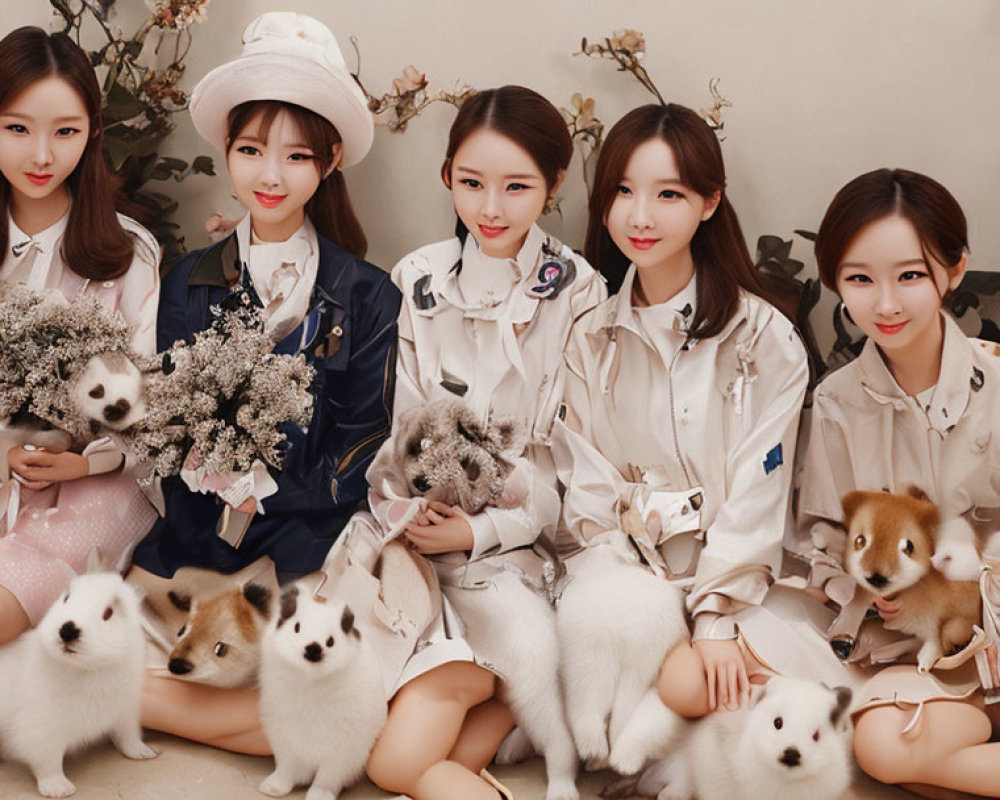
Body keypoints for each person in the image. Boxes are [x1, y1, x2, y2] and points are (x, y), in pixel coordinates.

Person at [130, 12, 400, 754]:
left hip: (312, 538)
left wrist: (272, 493)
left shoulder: (369, 294)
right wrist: (213, 478)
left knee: (331, 697)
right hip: (194, 536)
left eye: (296, 156)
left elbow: (364, 443)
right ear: (227, 151)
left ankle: (139, 700)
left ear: (331, 159)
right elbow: (166, 416)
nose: (270, 175)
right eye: (250, 150)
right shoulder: (186, 280)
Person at [553, 103, 848, 724]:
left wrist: (712, 610)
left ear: (710, 201)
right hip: (633, 582)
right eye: (623, 191)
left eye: (668, 194)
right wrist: (645, 588)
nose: (639, 216)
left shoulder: (764, 338)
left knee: (686, 689)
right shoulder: (588, 337)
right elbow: (588, 488)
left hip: (748, 583)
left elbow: (757, 497)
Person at [362, 85, 605, 800]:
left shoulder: (581, 292)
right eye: (471, 183)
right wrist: (412, 513)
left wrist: (479, 529)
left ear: (554, 186)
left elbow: (572, 469)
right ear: (447, 177)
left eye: (517, 187)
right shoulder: (419, 278)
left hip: (514, 559)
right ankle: (512, 715)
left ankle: (523, 698)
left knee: (397, 762)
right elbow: (396, 438)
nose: (490, 209)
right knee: (353, 727)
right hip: (412, 548)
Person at [796, 167, 1000, 798]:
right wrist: (862, 589)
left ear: (954, 270)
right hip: (910, 642)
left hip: (991, 621)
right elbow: (821, 541)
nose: (884, 303)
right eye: (859, 279)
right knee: (882, 749)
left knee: (907, 766)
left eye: (910, 275)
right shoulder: (834, 402)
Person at [0, 26, 160, 644]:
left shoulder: (128, 255)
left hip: (88, 486)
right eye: (17, 128)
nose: (41, 156)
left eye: (64, 131)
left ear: (93, 132)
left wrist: (81, 461)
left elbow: (145, 412)